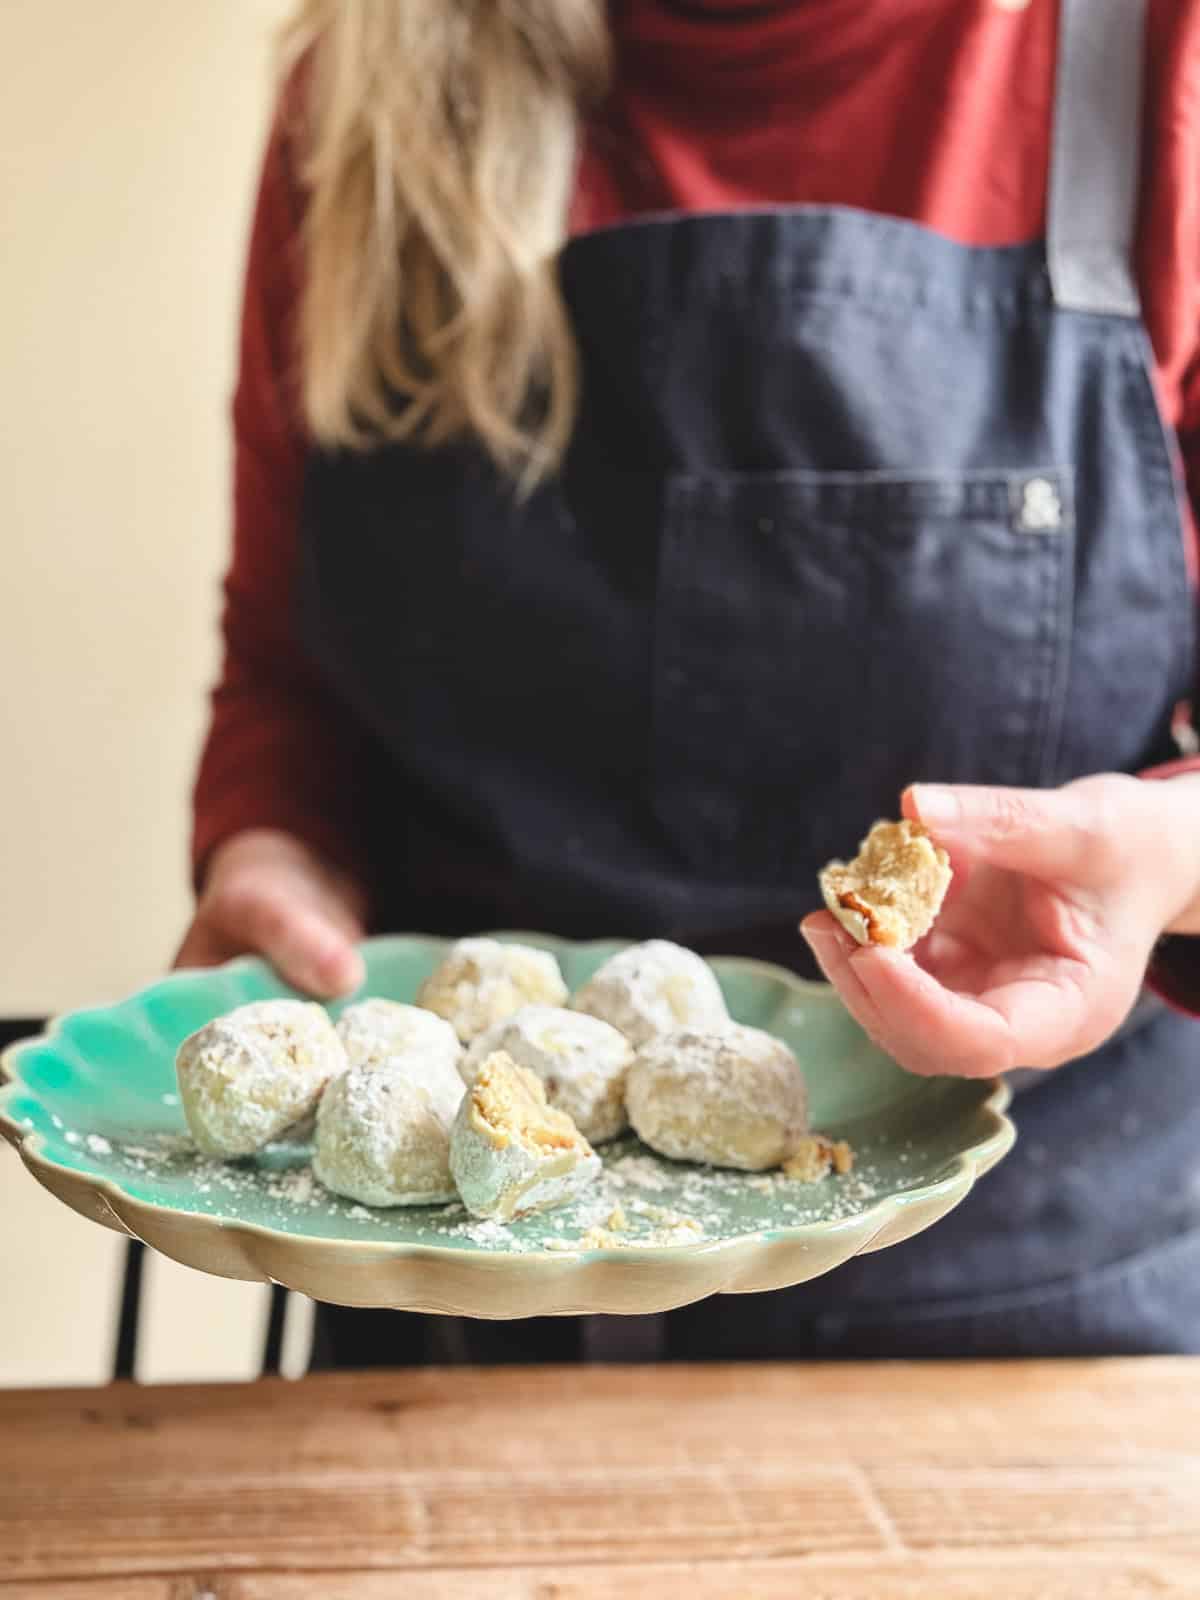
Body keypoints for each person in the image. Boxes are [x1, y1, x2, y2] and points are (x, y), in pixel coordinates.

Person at [177, 0, 1200, 1365]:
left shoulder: (1157, 56)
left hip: (1028, 1310)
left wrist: (1170, 860)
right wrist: (276, 852)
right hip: (460, 1289)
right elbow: (288, 671)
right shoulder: (369, 83)